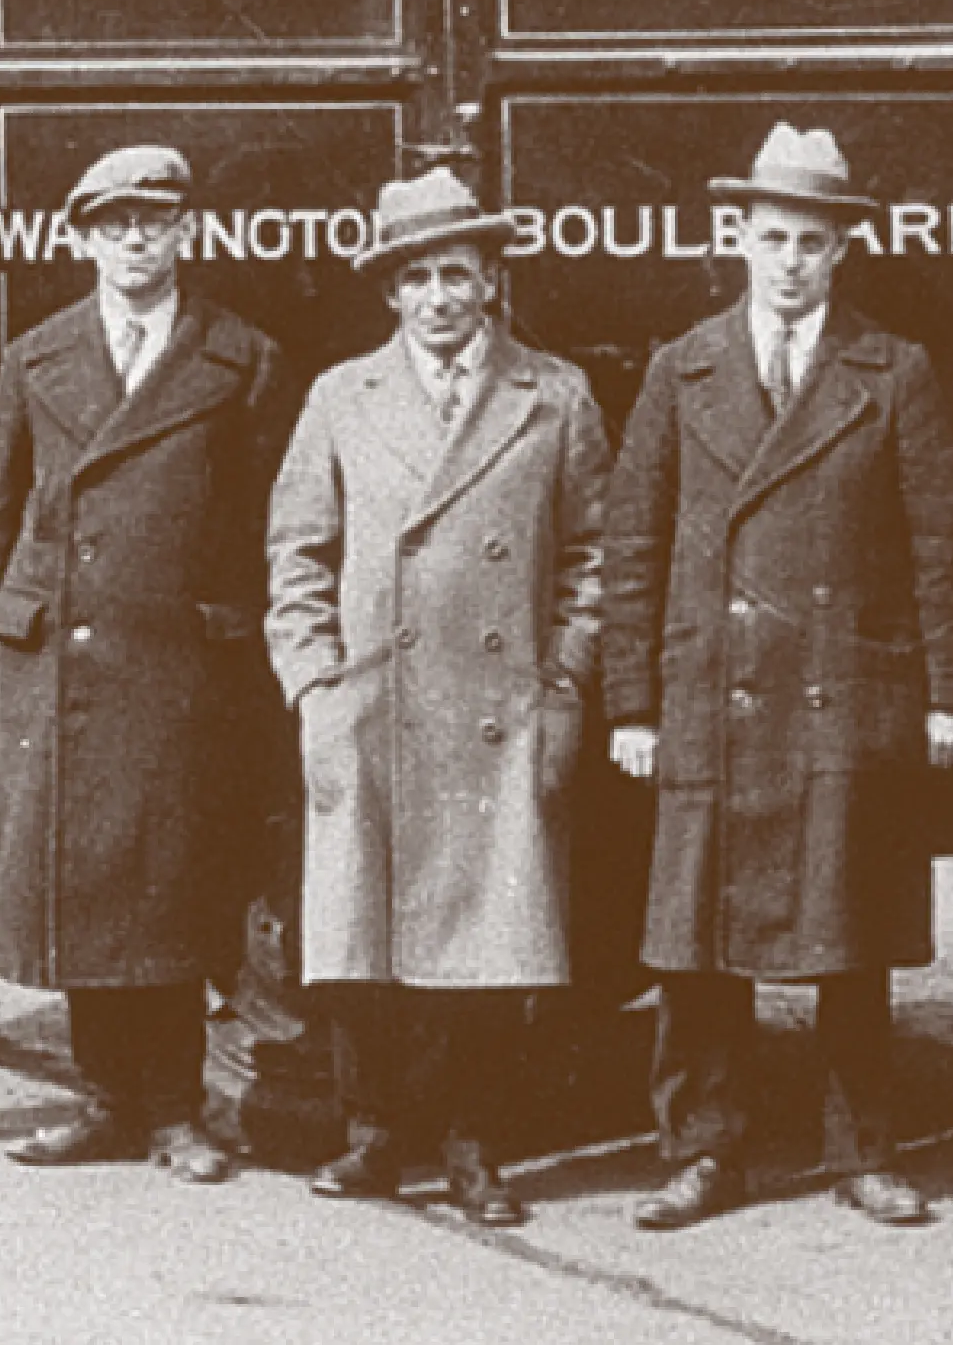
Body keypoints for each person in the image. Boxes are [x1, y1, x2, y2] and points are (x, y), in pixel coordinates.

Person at [603, 125, 953, 1231]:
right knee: (697, 944)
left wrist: (950, 694)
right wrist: (632, 703)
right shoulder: (684, 366)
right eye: (772, 238)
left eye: (813, 242)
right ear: (737, 239)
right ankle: (703, 1152)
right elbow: (634, 544)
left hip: (838, 692)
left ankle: (863, 1152)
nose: (791, 261)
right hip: (714, 690)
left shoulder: (893, 369)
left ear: (842, 251)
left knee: (846, 937)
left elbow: (933, 548)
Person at [266, 168, 610, 1225]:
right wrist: (315, 686)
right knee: (362, 942)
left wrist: (561, 687)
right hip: (371, 706)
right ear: (391, 293)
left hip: (500, 710)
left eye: (457, 274)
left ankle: (473, 1146)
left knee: (485, 951)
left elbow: (595, 560)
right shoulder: (341, 395)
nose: (438, 298)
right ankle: (374, 1137)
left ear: (491, 281)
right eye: (416, 278)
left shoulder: (554, 394)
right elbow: (296, 557)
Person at [0, 144, 290, 1185]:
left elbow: (269, 514)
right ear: (83, 239)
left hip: (178, 663)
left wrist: (215, 619)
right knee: (83, 891)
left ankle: (177, 1113)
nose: (135, 240)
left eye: (153, 220)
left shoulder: (242, 356)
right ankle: (103, 1101)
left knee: (172, 888)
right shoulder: (38, 353)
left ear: (187, 231)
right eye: (113, 224)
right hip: (62, 665)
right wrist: (46, 608)